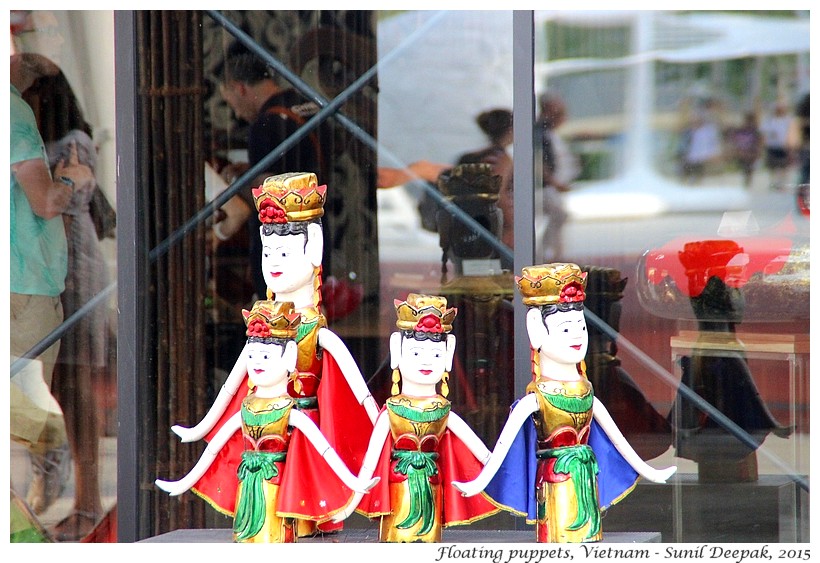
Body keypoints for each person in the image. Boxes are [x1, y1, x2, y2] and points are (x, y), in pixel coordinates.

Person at [168, 172, 379, 537]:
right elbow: (234, 384)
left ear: (313, 246)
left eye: (284, 251)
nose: (273, 261)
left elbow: (357, 390)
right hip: (266, 428)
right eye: (267, 251)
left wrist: (380, 425)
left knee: (306, 501)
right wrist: (202, 427)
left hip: (307, 431)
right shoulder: (262, 320)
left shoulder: (316, 329)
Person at [452, 263, 676, 543]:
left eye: (580, 325)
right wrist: (479, 481)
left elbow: (620, 443)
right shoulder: (536, 399)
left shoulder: (587, 394)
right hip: (553, 483)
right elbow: (501, 452)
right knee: (557, 539)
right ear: (536, 329)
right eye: (565, 328)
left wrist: (649, 471)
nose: (578, 334)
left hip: (585, 479)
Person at [156, 300, 378, 542]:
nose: (257, 362)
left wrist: (354, 482)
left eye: (265, 355)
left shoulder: (290, 411)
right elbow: (213, 450)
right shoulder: (246, 409)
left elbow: (324, 452)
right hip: (248, 491)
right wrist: (184, 481)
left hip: (277, 489)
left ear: (289, 355)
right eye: (251, 355)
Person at [331, 293, 499, 542]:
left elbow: (483, 454)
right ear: (396, 351)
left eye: (435, 353)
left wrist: (485, 478)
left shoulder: (443, 411)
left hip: (433, 486)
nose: (427, 361)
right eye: (417, 353)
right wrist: (351, 501)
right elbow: (369, 464)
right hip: (399, 485)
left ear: (448, 354)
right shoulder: (391, 412)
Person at [10, 51, 95, 520]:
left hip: (37, 276)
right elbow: (46, 202)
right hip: (28, 279)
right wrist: (69, 178)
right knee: (28, 404)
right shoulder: (16, 114)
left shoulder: (61, 132)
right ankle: (36, 492)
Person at [213, 50, 324, 301]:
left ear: (239, 88)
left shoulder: (265, 124)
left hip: (284, 248)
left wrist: (237, 185)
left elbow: (269, 192)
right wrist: (249, 170)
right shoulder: (309, 106)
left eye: (232, 105)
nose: (238, 115)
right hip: (317, 232)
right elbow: (299, 165)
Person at [538, 92, 579, 262]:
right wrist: (553, 182)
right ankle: (548, 254)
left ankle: (551, 253)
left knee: (558, 218)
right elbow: (537, 162)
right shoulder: (540, 134)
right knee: (558, 215)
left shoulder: (550, 134)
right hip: (544, 188)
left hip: (552, 186)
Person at [679, 106, 723, 185]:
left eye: (696, 119)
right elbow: (684, 144)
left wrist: (715, 155)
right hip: (692, 158)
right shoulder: (690, 131)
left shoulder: (709, 130)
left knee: (699, 176)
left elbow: (714, 143)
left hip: (703, 158)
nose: (694, 121)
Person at [760, 101, 795, 191]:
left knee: (784, 166)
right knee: (773, 166)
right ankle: (773, 182)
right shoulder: (769, 120)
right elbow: (763, 132)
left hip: (784, 146)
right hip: (772, 146)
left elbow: (792, 133)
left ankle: (782, 184)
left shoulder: (788, 120)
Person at [728, 112, 763, 189]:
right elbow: (735, 138)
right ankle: (746, 182)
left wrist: (758, 151)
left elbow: (759, 141)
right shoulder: (742, 130)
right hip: (744, 151)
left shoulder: (755, 131)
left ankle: (748, 182)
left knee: (749, 168)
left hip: (751, 152)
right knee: (745, 167)